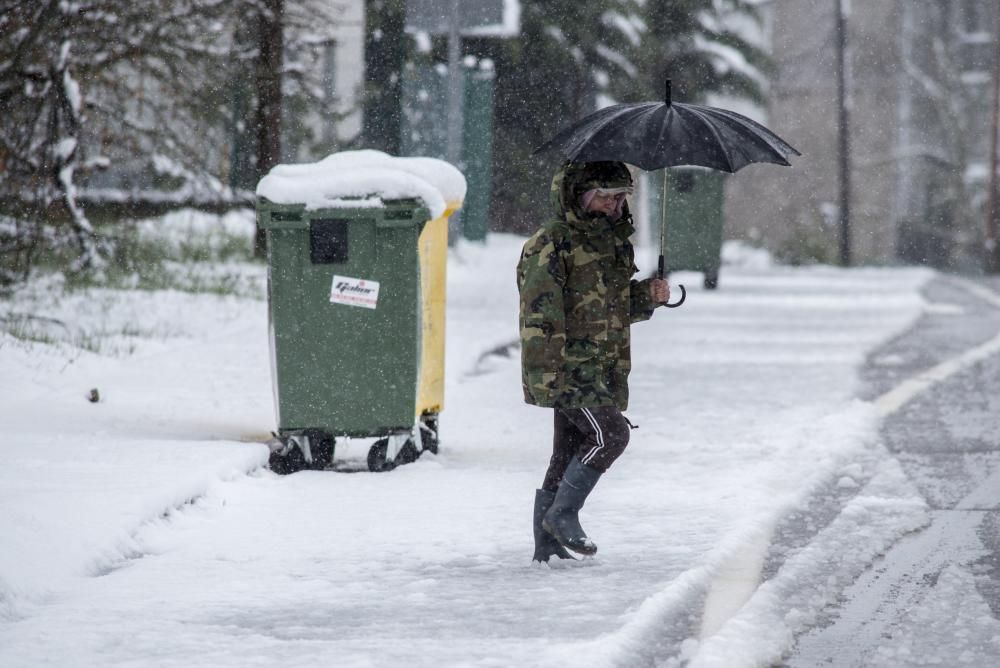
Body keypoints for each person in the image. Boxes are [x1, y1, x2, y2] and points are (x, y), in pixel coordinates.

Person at [517, 161, 670, 563]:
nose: (616, 205)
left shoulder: (614, 242)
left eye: (622, 197)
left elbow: (614, 307)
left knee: (567, 451)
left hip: (603, 367)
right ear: (583, 194)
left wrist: (647, 296)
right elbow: (539, 315)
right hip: (568, 367)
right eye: (607, 196)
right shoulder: (552, 242)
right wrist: (547, 375)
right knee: (611, 435)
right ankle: (563, 515)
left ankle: (546, 546)